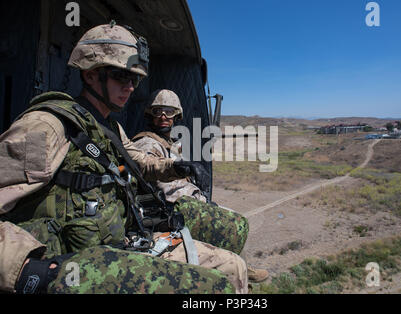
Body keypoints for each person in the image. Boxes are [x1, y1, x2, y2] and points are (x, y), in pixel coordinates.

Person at [0, 23, 249, 294]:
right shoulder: (46, 126)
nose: (130, 88)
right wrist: (26, 268)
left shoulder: (109, 127)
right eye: (121, 77)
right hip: (76, 266)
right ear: (91, 74)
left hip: (122, 241)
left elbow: (140, 162)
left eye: (135, 79)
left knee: (232, 268)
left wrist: (176, 167)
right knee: (216, 290)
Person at [133, 89, 269, 283]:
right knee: (230, 224)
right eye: (157, 112)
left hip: (182, 204)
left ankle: (243, 268)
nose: (163, 117)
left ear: (176, 116)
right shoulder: (147, 144)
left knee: (231, 220)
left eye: (169, 112)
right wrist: (201, 201)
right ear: (149, 114)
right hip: (168, 210)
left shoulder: (169, 143)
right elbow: (166, 187)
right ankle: (240, 272)